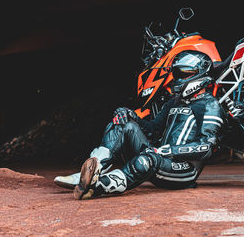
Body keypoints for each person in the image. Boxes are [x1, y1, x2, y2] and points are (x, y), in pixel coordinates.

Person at [55, 50, 225, 199]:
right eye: (177, 74)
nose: (179, 78)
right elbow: (153, 130)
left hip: (184, 171)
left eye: (185, 74)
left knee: (147, 159)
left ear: (200, 74)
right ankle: (91, 171)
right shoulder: (174, 102)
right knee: (123, 123)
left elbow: (207, 147)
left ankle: (97, 186)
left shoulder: (210, 105)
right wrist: (131, 116)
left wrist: (168, 151)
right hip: (159, 158)